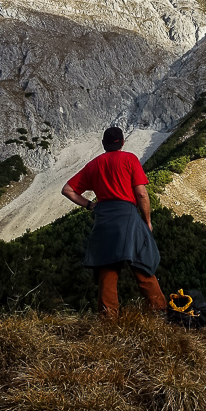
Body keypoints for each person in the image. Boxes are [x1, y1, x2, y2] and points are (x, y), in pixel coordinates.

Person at [61, 126, 166, 319]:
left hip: (103, 219)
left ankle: (108, 319)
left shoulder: (94, 164)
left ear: (103, 144)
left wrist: (90, 205)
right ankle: (158, 311)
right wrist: (147, 221)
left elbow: (67, 190)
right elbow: (142, 193)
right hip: (127, 216)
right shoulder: (129, 159)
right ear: (123, 142)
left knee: (107, 268)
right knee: (141, 262)